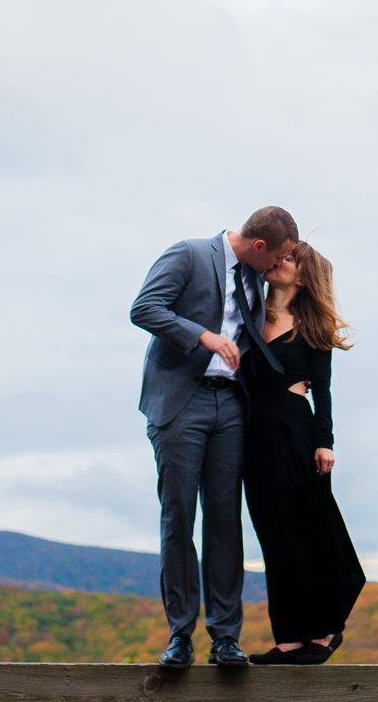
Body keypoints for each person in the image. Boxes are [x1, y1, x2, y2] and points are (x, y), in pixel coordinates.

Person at [130, 206, 299, 668]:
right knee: (179, 516)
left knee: (226, 519)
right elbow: (144, 309)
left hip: (232, 406)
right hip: (182, 402)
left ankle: (225, 638)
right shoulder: (188, 254)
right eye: (276, 258)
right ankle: (179, 636)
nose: (276, 268)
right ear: (259, 245)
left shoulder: (257, 278)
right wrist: (202, 336)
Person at [242, 241, 365, 664]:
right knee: (271, 534)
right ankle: (290, 636)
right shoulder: (249, 313)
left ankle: (326, 630)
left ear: (303, 274)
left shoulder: (311, 326)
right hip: (252, 435)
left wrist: (324, 441)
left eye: (289, 259)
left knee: (303, 530)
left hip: (294, 431)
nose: (279, 261)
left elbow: (323, 389)